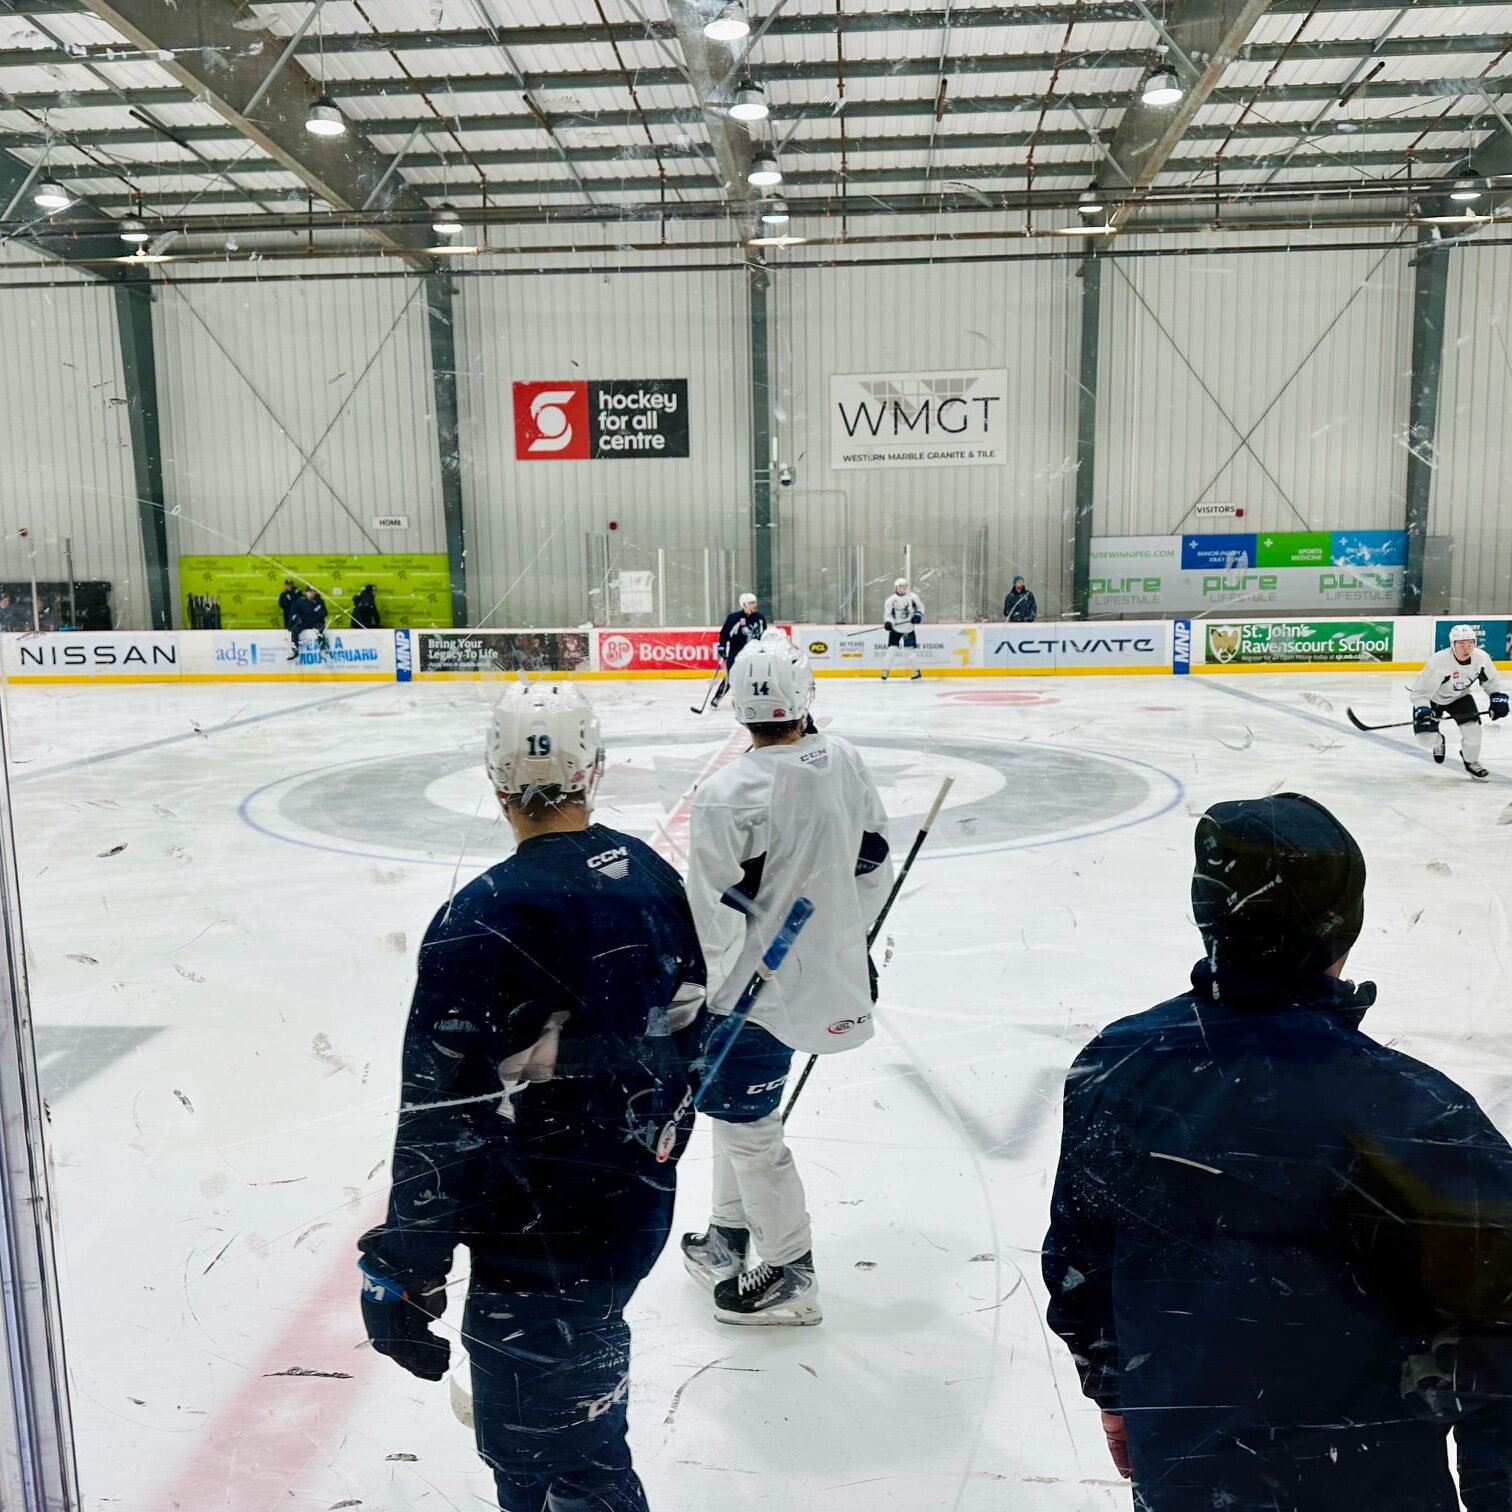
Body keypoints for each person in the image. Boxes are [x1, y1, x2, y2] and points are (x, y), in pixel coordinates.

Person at [1043, 792, 1512, 1512]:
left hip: (1184, 1477)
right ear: (1343, 926)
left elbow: (1080, 1259)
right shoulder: (1412, 1113)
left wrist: (1115, 1393)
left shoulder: (1117, 1066)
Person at [358, 684, 706, 1512]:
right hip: (633, 1208)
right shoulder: (649, 872)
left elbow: (442, 1113)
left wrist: (404, 1265)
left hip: (539, 1240)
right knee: (556, 1430)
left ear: (495, 780)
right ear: (594, 769)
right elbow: (692, 1027)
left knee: (565, 1462)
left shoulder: (481, 915)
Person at [682, 636, 893, 1324]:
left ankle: (790, 1271)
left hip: (752, 994)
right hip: (830, 973)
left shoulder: (724, 794)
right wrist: (846, 943)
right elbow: (872, 862)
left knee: (748, 1127)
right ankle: (726, 1236)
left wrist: (705, 997)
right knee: (734, 1111)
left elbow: (712, 914)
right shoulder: (845, 759)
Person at [1409, 623, 1507, 780]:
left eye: (1470, 643)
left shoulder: (1481, 658)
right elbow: (1420, 692)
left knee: (1473, 732)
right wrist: (1423, 709)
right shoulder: (1439, 661)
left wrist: (1496, 697)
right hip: (1432, 699)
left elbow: (1491, 681)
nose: (1466, 648)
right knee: (1426, 739)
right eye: (1461, 644)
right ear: (1452, 644)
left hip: (1460, 697)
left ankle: (1471, 761)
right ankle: (1438, 741)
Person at [711, 592, 768, 709]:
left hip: (754, 652)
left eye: (755, 602)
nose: (754, 605)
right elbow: (724, 634)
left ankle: (750, 700)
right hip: (736, 651)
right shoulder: (734, 618)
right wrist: (722, 647)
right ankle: (718, 697)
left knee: (756, 676)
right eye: (751, 603)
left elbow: (764, 635)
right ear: (744, 604)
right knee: (732, 675)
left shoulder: (760, 618)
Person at [881, 577, 924, 681]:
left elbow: (920, 607)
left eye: (905, 586)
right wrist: (888, 623)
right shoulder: (890, 600)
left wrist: (918, 616)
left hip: (909, 628)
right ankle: (886, 670)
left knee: (909, 652)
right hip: (895, 629)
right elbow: (888, 615)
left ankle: (916, 671)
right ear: (896, 587)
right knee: (891, 651)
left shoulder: (913, 597)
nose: (903, 588)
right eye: (900, 586)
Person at [287, 585, 328, 659]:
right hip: (304, 621)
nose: (312, 593)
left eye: (313, 592)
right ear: (306, 593)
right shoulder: (300, 601)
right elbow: (294, 613)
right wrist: (297, 619)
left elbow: (325, 613)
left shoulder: (319, 601)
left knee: (321, 629)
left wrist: (317, 609)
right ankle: (295, 650)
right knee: (295, 630)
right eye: (310, 591)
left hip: (316, 621)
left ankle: (323, 649)